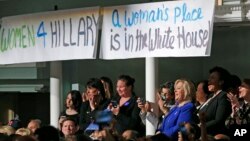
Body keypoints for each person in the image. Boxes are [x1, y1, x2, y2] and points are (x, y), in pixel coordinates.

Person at [199, 66, 232, 136]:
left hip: (212, 135)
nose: (209, 80)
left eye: (212, 78)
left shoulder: (223, 96)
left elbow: (218, 120)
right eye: (209, 78)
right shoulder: (211, 96)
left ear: (221, 82)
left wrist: (200, 126)